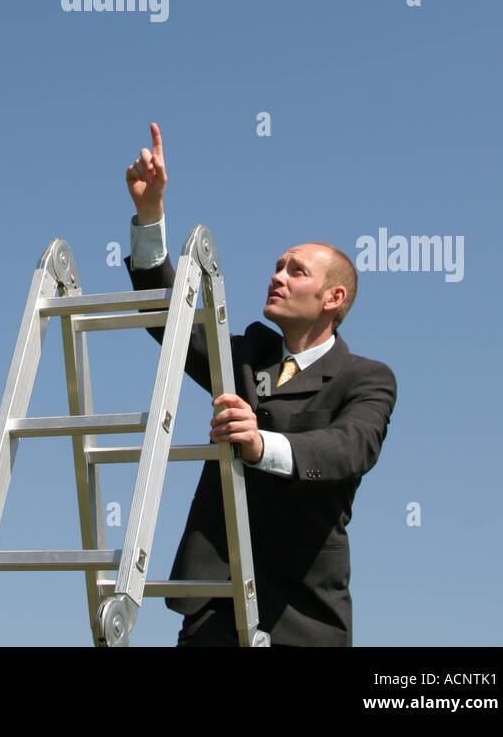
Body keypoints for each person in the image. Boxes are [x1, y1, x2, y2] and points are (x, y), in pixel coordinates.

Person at [123, 122, 396, 647]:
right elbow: (167, 320)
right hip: (215, 606)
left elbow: (349, 448)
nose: (278, 276)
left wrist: (260, 444)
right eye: (276, 267)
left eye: (296, 271)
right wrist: (150, 214)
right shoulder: (247, 353)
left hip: (303, 613)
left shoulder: (367, 378)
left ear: (333, 299)